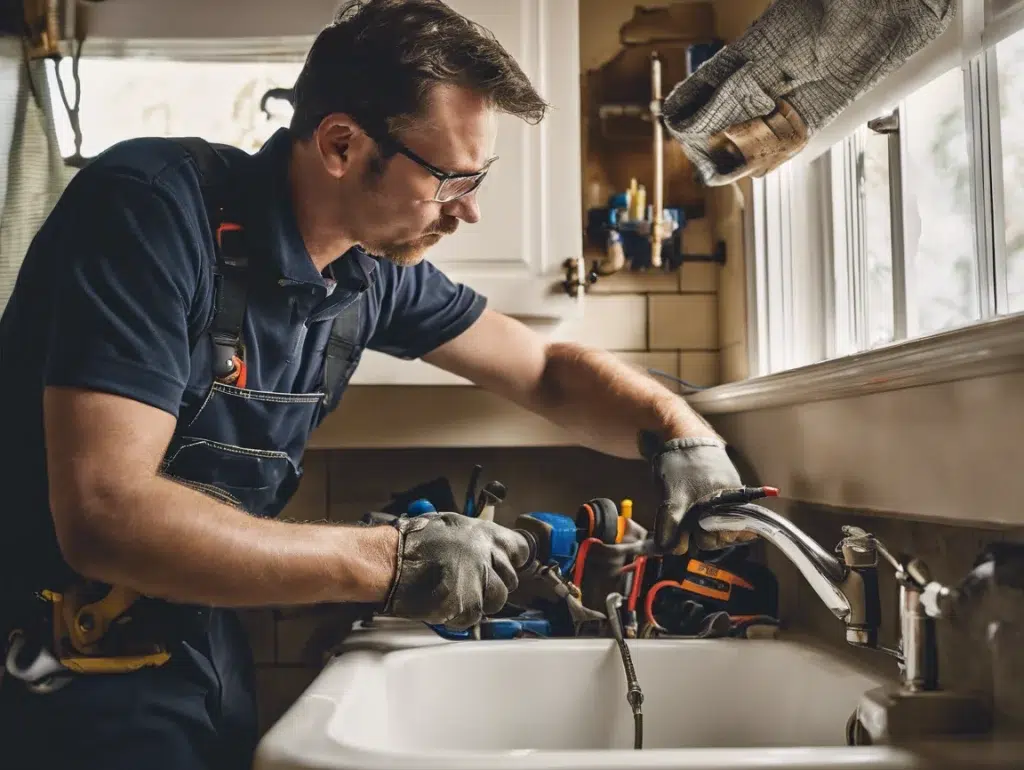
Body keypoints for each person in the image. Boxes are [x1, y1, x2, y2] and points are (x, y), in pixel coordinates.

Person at [0, 1, 749, 767]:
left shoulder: (369, 274)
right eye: (450, 178)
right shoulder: (150, 210)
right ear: (340, 144)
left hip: (203, 638)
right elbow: (105, 515)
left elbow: (548, 374)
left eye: (478, 176)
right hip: (53, 652)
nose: (471, 208)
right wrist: (390, 561)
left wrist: (676, 428)